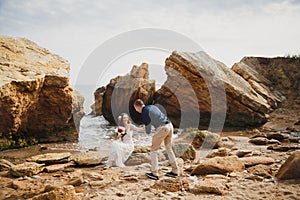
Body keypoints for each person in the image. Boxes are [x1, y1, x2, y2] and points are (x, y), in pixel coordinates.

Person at [134, 99, 179, 180]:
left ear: (137, 107)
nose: (136, 111)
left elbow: (148, 130)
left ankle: (154, 173)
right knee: (169, 149)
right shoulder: (152, 107)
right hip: (169, 125)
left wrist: (144, 130)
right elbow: (155, 118)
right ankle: (175, 171)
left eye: (135, 109)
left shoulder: (144, 112)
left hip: (162, 128)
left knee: (153, 150)